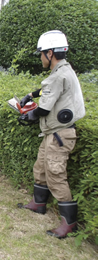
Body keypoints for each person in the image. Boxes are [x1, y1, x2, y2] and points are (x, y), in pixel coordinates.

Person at [18, 30, 85, 239]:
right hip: (53, 133)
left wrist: (28, 116)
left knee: (55, 175)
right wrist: (32, 94)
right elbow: (51, 89)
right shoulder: (64, 71)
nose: (40, 58)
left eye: (41, 53)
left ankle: (69, 223)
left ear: (50, 53)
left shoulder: (58, 75)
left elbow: (44, 110)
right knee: (41, 168)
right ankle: (39, 204)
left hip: (59, 134)